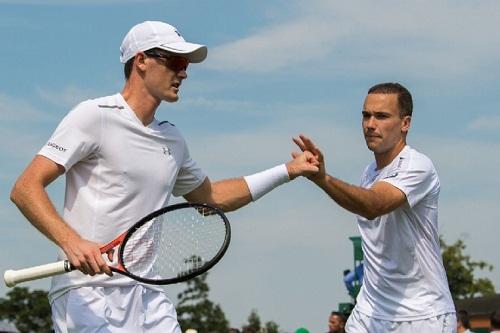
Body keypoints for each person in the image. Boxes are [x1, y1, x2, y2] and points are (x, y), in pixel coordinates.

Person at [10, 21, 319, 333]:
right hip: (87, 294)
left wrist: (288, 171)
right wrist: (72, 242)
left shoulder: (173, 140)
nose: (183, 72)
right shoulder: (94, 116)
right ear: (141, 60)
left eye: (185, 65)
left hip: (148, 294)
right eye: (175, 62)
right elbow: (25, 188)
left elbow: (211, 198)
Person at [293, 82, 456, 333]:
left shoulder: (418, 166)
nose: (370, 124)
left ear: (405, 123)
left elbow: (374, 205)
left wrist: (323, 179)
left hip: (421, 317)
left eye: (381, 116)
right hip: (369, 312)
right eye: (366, 115)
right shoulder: (369, 173)